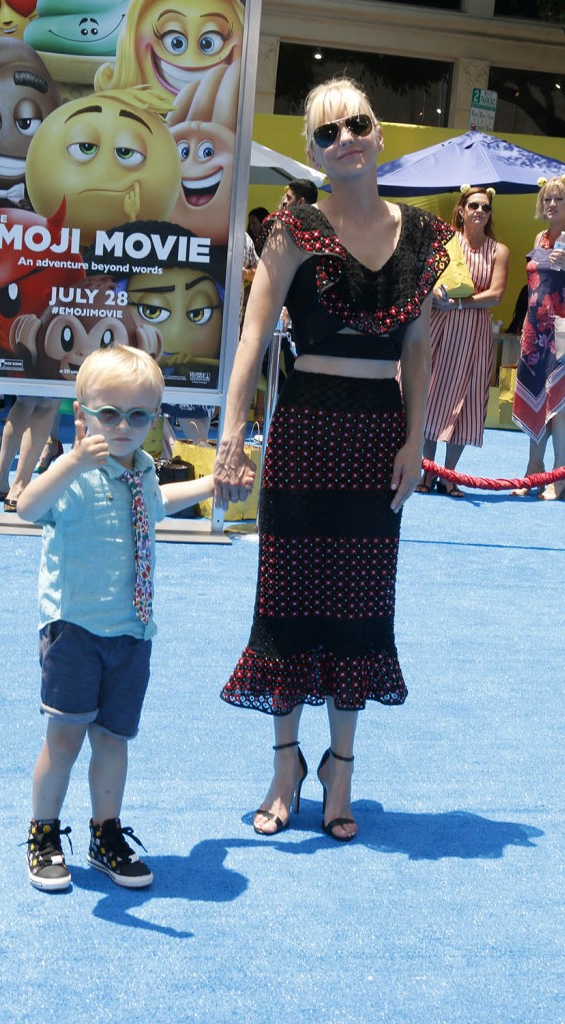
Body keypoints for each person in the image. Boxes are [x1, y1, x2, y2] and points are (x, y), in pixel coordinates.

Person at [213, 77, 453, 842]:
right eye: (326, 132)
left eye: (357, 124)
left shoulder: (419, 235)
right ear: (314, 150)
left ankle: (339, 771)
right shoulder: (293, 226)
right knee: (284, 603)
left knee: (362, 604)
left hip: (378, 435)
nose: (344, 137)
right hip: (305, 427)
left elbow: (416, 347)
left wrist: (417, 440)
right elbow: (252, 337)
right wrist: (232, 435)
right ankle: (285, 766)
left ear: (380, 134)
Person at [17, 344, 217, 891]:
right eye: (109, 413)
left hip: (132, 630)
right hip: (75, 629)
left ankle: (106, 834)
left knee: (112, 740)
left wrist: (210, 486)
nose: (123, 426)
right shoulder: (71, 472)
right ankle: (43, 833)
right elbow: (30, 508)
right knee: (65, 739)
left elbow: (157, 503)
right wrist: (71, 462)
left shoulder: (144, 473)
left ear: (154, 418)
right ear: (81, 414)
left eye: (138, 415)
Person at [417, 186, 509, 497]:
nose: (479, 211)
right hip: (439, 327)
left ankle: (449, 475)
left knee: (466, 401)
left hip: (473, 332)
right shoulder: (444, 242)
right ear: (461, 209)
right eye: (474, 205)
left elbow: (496, 295)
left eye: (485, 207)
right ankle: (427, 472)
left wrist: (460, 303)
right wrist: (435, 293)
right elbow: (423, 279)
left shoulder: (499, 250)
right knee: (432, 395)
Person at [511, 175, 565, 500]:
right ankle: (534, 469)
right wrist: (525, 327)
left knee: (560, 406)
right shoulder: (540, 238)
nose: (552, 204)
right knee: (535, 400)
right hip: (535, 335)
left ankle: (559, 476)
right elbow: (534, 286)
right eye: (547, 199)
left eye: (558, 199)